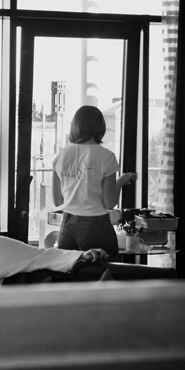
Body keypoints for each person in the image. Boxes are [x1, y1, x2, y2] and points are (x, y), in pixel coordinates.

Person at [51, 105, 136, 260]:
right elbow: (109, 202)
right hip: (96, 227)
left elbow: (57, 201)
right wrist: (120, 182)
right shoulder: (107, 156)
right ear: (100, 127)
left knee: (72, 277)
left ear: (75, 126)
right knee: (105, 276)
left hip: (68, 225)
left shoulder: (61, 155)